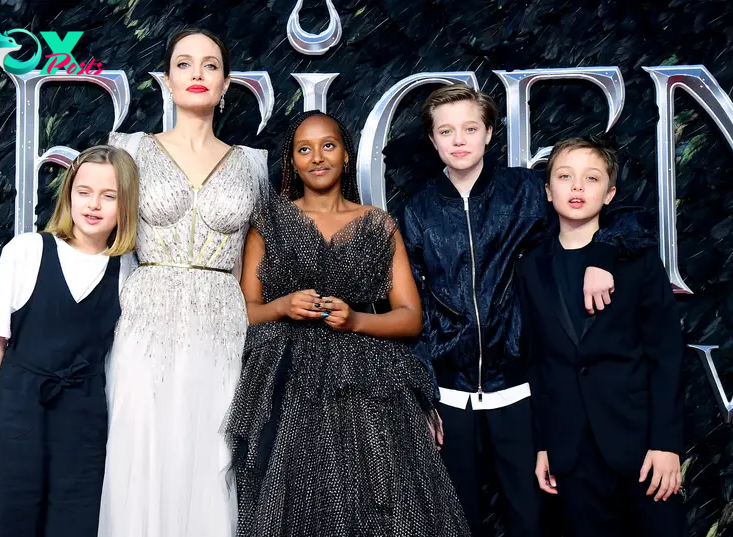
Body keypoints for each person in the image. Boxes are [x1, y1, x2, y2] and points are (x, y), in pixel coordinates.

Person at [397, 84, 656, 537]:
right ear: (433, 140)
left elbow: (628, 218)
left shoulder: (525, 192)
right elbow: (410, 307)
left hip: (518, 389)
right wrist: (423, 392)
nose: (459, 139)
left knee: (531, 519)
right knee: (456, 522)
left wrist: (603, 254)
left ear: (489, 133)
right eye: (446, 130)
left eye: (470, 128)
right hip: (450, 396)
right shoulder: (416, 210)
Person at [224, 110, 469, 537]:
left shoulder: (378, 224)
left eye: (328, 146)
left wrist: (355, 318)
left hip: (368, 382)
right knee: (294, 505)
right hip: (285, 384)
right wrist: (282, 306)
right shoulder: (268, 223)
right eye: (304, 149)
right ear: (292, 162)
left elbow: (411, 319)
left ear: (346, 154)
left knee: (381, 504)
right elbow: (243, 312)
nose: (317, 157)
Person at [98, 28, 270, 537]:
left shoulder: (253, 164)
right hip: (145, 322)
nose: (197, 74)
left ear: (226, 83)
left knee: (211, 460)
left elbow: (261, 266)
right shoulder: (128, 149)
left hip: (223, 327)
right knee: (140, 453)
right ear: (167, 79)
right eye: (185, 64)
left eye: (210, 65)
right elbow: (92, 240)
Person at [515, 136, 685, 537]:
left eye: (591, 178)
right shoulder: (530, 268)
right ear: (547, 189)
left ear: (609, 194)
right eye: (565, 176)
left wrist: (666, 444)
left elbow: (667, 354)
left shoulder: (636, 259)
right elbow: (536, 363)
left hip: (642, 444)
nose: (577, 187)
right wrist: (543, 444)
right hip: (569, 449)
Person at [0, 145, 139, 537]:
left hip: (84, 420)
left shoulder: (129, 271)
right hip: (18, 411)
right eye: (84, 191)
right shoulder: (26, 250)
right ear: (69, 195)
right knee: (6, 522)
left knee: (74, 523)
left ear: (125, 204)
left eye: (109, 196)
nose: (93, 204)